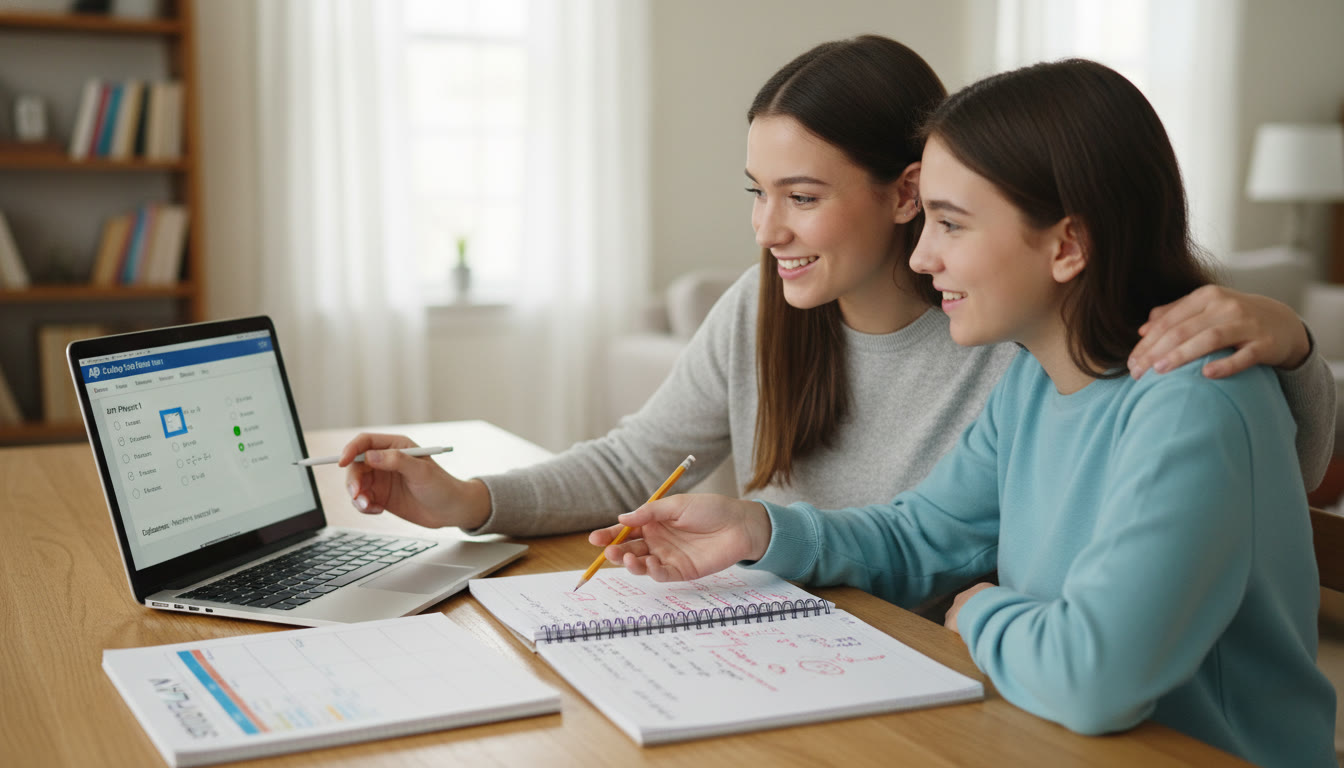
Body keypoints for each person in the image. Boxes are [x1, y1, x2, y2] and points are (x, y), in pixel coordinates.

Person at [590, 59, 1336, 767]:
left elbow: (1095, 676)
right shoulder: (1036, 382)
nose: (919, 258)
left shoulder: (1190, 402)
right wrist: (757, 529)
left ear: (1068, 244)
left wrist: (981, 613)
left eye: (950, 223)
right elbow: (923, 535)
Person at [340, 35, 1334, 549]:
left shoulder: (1015, 322)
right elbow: (639, 464)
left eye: (802, 197)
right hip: (812, 644)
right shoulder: (764, 308)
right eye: (757, 195)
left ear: (908, 192)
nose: (768, 231)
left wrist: (1290, 340)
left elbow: (1268, 469)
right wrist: (468, 499)